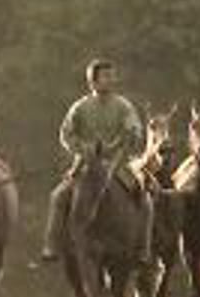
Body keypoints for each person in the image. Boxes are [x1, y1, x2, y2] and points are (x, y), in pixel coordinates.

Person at [39, 58, 145, 262]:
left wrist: (128, 137)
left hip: (118, 165)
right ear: (93, 81)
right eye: (106, 76)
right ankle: (52, 245)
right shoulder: (80, 107)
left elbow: (135, 129)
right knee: (58, 196)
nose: (111, 80)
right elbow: (66, 134)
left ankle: (142, 247)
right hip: (86, 165)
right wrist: (84, 148)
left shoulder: (123, 106)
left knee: (145, 199)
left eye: (112, 75)